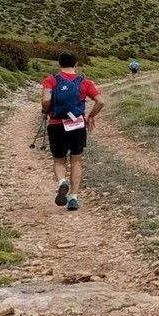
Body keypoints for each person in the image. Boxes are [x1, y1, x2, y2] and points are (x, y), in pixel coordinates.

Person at [41, 52, 104, 211]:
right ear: (76, 64)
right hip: (77, 125)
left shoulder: (50, 80)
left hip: (56, 124)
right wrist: (91, 115)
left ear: (59, 64)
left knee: (59, 160)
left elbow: (46, 99)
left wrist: (45, 111)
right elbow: (100, 101)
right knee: (76, 160)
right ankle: (73, 198)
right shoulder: (85, 82)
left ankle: (62, 182)